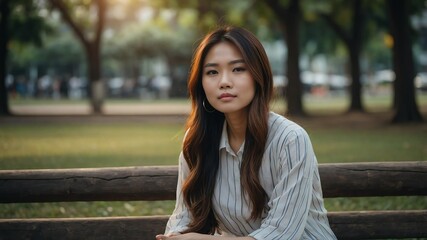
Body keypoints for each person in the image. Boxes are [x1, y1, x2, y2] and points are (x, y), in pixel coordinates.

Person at [156, 26, 337, 240]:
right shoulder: (197, 141)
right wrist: (174, 236)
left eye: (238, 69)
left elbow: (281, 234)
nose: (224, 82)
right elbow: (183, 216)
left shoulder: (290, 139)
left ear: (258, 76)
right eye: (212, 72)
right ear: (201, 84)